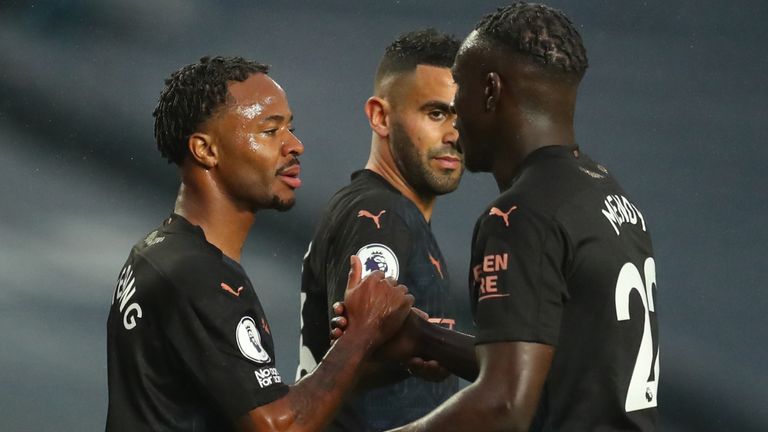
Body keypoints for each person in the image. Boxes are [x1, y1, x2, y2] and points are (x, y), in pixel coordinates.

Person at [379, 3, 661, 431]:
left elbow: (504, 405)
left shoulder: (520, 216)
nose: (454, 114)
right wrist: (425, 339)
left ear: (490, 90)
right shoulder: (605, 193)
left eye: (459, 87)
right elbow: (555, 366)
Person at [105, 56, 415, 432]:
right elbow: (277, 427)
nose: (295, 145)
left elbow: (252, 400)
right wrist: (362, 330)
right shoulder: (201, 277)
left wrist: (365, 362)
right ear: (206, 150)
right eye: (270, 132)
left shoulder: (157, 251)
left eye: (291, 128)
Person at [296, 29, 465, 431]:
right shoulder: (380, 212)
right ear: (380, 116)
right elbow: (355, 348)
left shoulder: (400, 215)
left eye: (463, 116)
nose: (455, 135)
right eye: (436, 113)